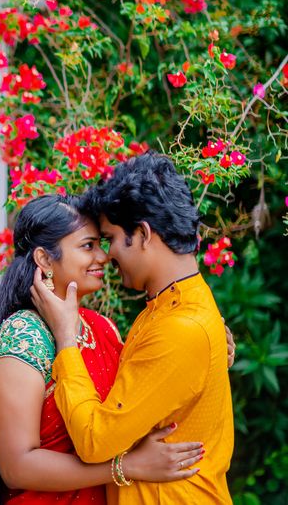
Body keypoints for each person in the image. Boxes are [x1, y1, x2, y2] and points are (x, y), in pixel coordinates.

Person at [0, 194, 207, 505]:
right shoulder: (23, 336)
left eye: (101, 244)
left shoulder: (102, 328)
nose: (103, 256)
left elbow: (138, 399)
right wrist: (125, 467)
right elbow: (17, 466)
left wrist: (203, 342)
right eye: (88, 246)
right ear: (45, 260)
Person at [31, 152, 235, 504]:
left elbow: (96, 439)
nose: (107, 255)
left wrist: (66, 340)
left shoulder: (181, 326)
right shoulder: (170, 308)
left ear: (142, 234)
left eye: (109, 238)